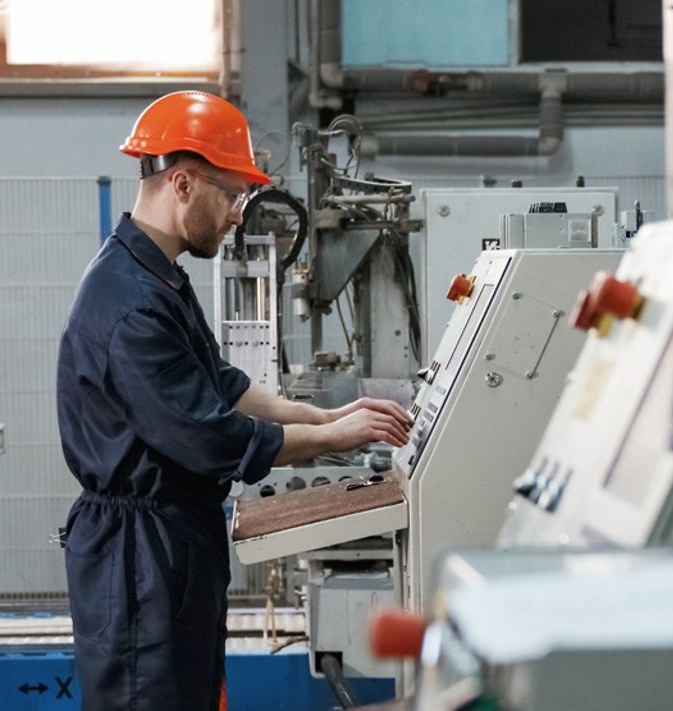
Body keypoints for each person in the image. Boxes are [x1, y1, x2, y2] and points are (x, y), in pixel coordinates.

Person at [56, 90, 413, 710]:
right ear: (186, 183)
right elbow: (211, 436)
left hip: (168, 544)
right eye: (232, 195)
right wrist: (333, 440)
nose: (238, 215)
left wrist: (321, 415)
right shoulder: (131, 304)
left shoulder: (156, 275)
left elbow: (219, 382)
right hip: (141, 558)